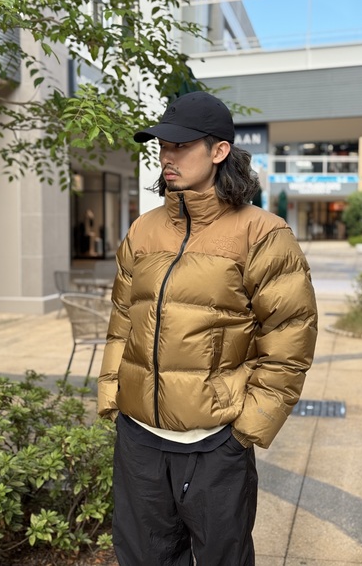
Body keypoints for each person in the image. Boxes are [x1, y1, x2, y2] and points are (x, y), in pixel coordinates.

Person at [98, 91, 318, 566]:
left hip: (215, 443)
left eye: (181, 146)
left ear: (219, 151)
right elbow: (122, 321)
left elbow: (289, 340)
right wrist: (113, 397)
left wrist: (246, 428)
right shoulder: (144, 229)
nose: (167, 156)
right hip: (139, 440)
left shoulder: (263, 233)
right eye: (163, 145)